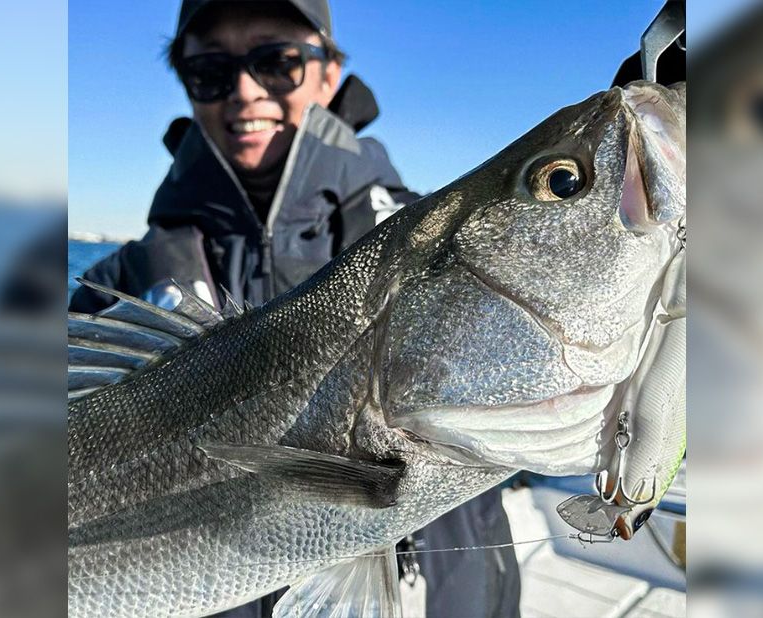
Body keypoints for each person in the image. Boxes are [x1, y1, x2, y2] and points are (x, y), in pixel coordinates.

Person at [70, 1, 521, 616]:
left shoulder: (439, 241)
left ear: (329, 71)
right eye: (210, 71)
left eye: (277, 62)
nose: (245, 91)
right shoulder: (114, 286)